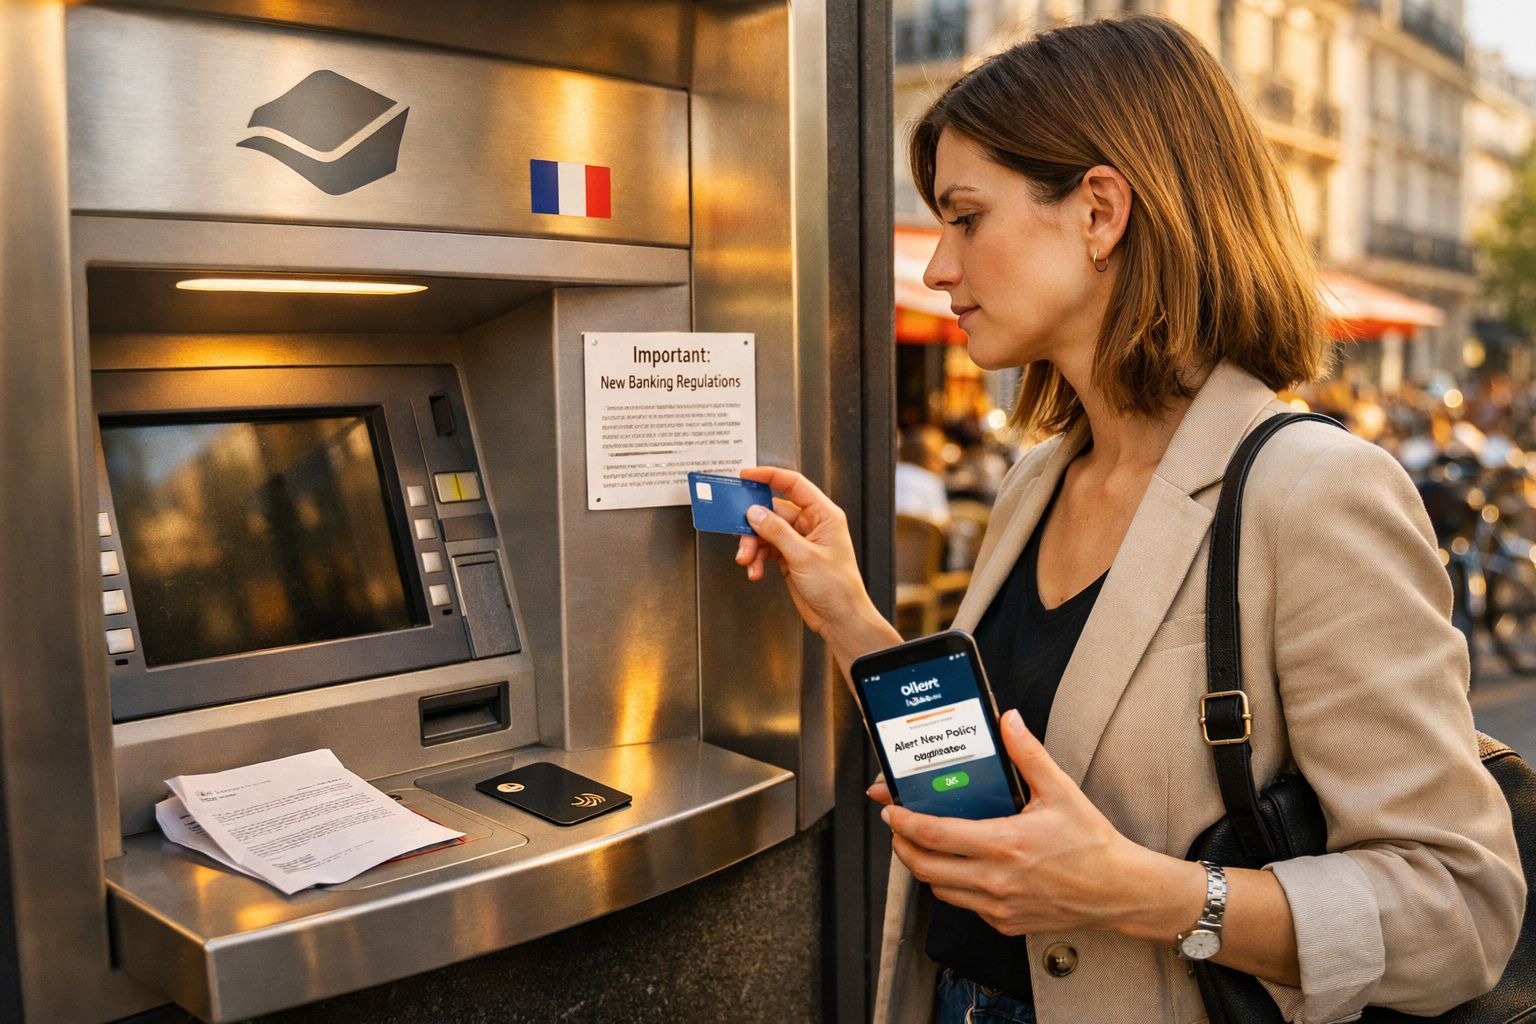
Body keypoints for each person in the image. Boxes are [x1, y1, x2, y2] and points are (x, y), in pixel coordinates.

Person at [731, 14, 1524, 1024]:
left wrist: (1143, 894)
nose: (938, 270)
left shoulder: (1315, 491)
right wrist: (850, 617)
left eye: (965, 219)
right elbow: (995, 773)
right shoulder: (1040, 481)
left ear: (1100, 210)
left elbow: (1462, 907)